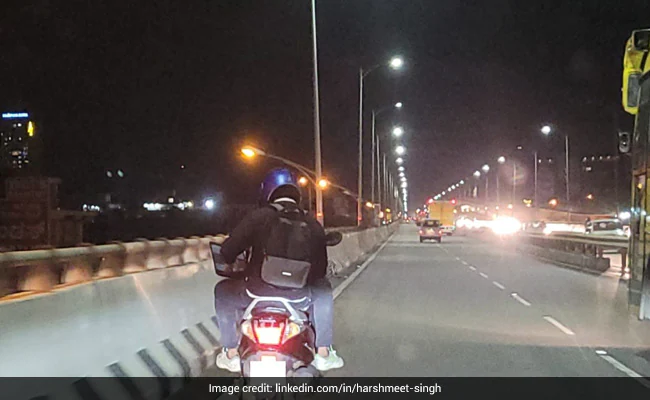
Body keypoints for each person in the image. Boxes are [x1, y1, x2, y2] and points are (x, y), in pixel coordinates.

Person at [214, 167, 344, 373]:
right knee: (324, 290)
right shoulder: (312, 223)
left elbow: (228, 252)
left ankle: (230, 353)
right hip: (298, 298)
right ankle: (323, 353)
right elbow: (320, 271)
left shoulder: (258, 217)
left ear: (268, 192)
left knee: (221, 291)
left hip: (254, 294)